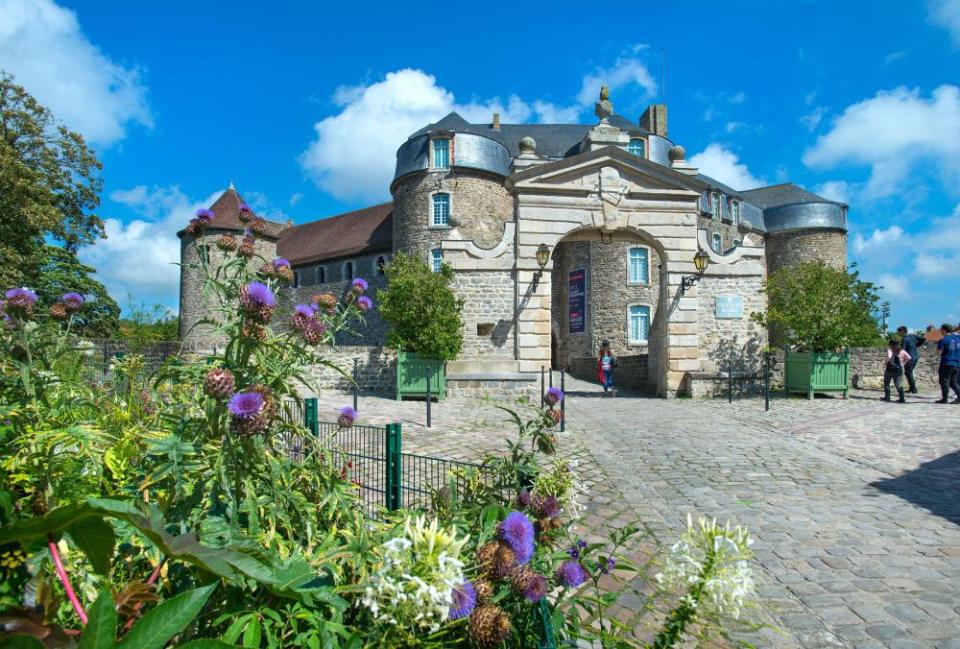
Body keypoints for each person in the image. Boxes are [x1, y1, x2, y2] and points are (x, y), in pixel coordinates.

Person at [935, 323, 960, 404]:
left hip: (946, 362)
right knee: (954, 382)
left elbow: (939, 353)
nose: (940, 331)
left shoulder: (943, 339)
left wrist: (938, 354)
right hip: (956, 363)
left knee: (944, 381)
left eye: (941, 330)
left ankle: (944, 399)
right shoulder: (958, 339)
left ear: (944, 330)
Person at [896, 325, 924, 393]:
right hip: (915, 357)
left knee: (909, 373)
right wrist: (917, 345)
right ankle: (911, 388)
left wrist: (900, 360)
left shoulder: (904, 339)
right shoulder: (913, 336)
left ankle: (914, 389)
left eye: (899, 332)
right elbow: (923, 339)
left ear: (902, 331)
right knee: (909, 373)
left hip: (909, 358)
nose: (898, 333)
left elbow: (903, 350)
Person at [881, 338, 910, 403]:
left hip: (890, 369)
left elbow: (889, 356)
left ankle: (887, 397)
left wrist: (886, 362)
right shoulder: (902, 351)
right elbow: (908, 357)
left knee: (886, 383)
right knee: (898, 384)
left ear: (891, 344)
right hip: (898, 370)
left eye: (890, 345)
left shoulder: (890, 350)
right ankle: (902, 398)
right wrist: (903, 364)